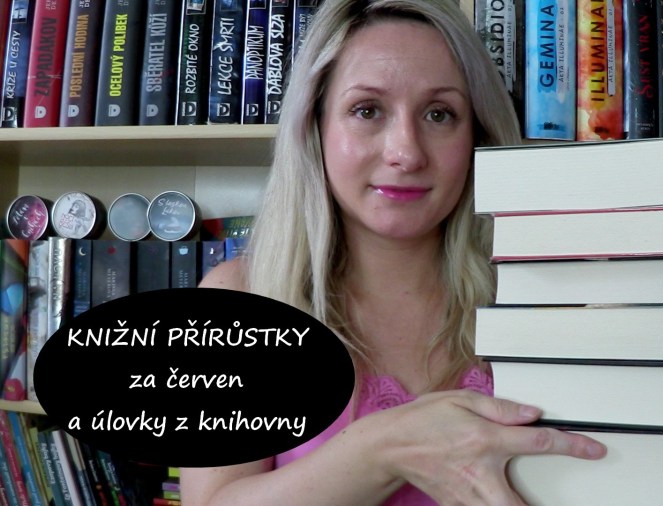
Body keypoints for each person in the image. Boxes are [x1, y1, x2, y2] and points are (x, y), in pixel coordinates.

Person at [181, 0, 607, 504]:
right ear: (315, 127)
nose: (406, 152)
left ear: (478, 135)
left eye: (439, 114)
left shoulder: (545, 297)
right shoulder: (239, 297)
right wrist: (386, 448)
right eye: (367, 110)